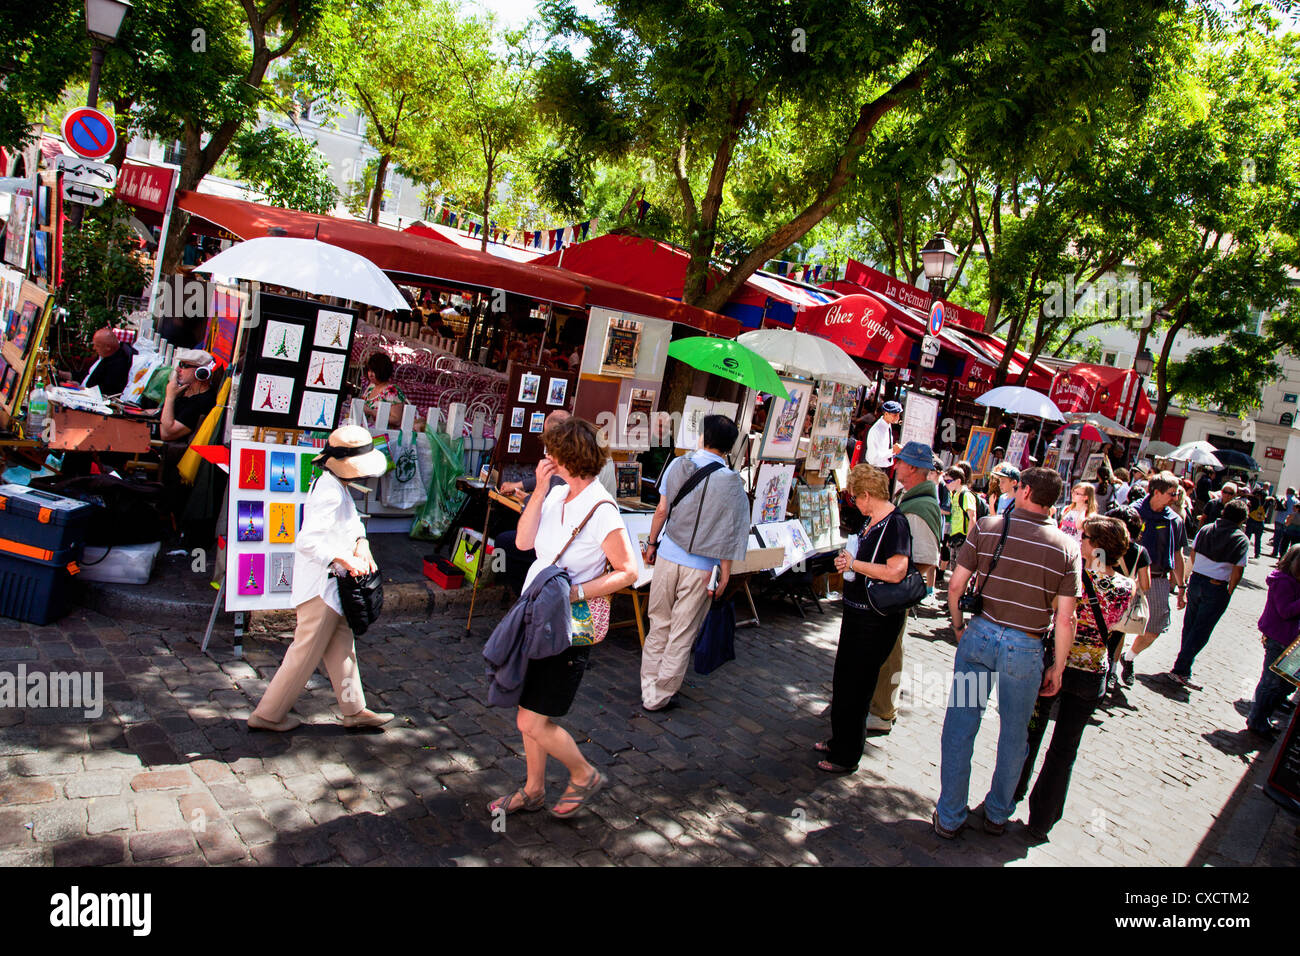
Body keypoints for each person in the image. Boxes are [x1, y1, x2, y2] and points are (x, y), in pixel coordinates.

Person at [489, 417, 638, 818]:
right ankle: (534, 789)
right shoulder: (555, 496)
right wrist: (539, 490)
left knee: (532, 720)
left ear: (566, 457)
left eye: (551, 451)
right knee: (528, 711)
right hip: (538, 616)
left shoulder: (602, 508)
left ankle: (583, 773)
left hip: (569, 627)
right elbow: (522, 542)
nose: (546, 456)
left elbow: (628, 570)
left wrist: (576, 592)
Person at [936, 467, 1081, 838]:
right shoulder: (1067, 548)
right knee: (1015, 735)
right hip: (1026, 648)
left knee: (961, 725)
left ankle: (950, 815)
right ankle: (998, 813)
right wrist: (1059, 667)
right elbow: (1066, 618)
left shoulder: (987, 526)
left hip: (980, 638)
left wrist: (957, 626)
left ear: (1026, 490)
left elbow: (955, 587)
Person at [248, 426, 394, 732]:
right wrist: (343, 558)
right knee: (304, 653)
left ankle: (354, 709)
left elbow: (351, 524)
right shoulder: (330, 491)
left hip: (330, 586)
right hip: (321, 587)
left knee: (342, 647)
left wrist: (361, 544)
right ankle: (268, 714)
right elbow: (307, 542)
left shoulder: (334, 484)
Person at [1014, 515, 1134, 840]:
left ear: (1096, 545)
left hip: (1056, 662)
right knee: (1065, 749)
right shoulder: (1126, 586)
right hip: (1093, 670)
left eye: (1085, 538)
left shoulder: (1074, 577)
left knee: (1032, 733)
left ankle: (1011, 794)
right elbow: (1122, 625)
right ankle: (1042, 819)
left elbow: (1056, 612)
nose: (1080, 542)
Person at [640, 415, 750, 712]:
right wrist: (725, 572)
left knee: (658, 623)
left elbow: (661, 510)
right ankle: (659, 694)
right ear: (728, 447)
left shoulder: (679, 465)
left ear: (703, 437)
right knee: (682, 630)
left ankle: (649, 685)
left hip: (668, 555)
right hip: (702, 566)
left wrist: (651, 544)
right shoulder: (732, 482)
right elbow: (732, 531)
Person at [816, 464, 912, 772]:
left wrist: (856, 566)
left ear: (868, 495)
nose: (855, 503)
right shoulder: (872, 521)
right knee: (844, 680)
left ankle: (847, 755)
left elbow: (896, 571)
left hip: (876, 618)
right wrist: (848, 563)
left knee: (858, 686)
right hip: (858, 612)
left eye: (856, 497)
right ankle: (839, 739)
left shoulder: (895, 523)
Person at [864, 442, 942, 736]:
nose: (896, 466)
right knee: (883, 648)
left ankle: (882, 710)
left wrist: (894, 578)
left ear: (912, 468)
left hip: (893, 591)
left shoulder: (921, 506)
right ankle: (879, 705)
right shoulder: (911, 497)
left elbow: (923, 558)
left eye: (901, 462)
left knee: (889, 650)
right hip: (890, 587)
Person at [1169, 498, 1249, 688]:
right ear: (1242, 520)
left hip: (1197, 580)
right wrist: (1229, 590)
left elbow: (1193, 554)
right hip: (1216, 586)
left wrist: (1188, 578)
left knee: (1190, 626)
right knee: (1201, 630)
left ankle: (1184, 667)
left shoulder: (1206, 529)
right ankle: (1180, 669)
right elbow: (1238, 570)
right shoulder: (1240, 539)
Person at [1119, 472, 1188, 686]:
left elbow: (1177, 554)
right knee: (1117, 625)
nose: (1175, 498)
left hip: (1157, 579)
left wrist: (1182, 586)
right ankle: (1110, 669)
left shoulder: (1175, 520)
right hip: (1127, 575)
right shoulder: (1133, 512)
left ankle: (1128, 658)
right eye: (1172, 494)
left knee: (1155, 628)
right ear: (1156, 492)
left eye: (1176, 494)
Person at [496, 411, 573, 594]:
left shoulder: (568, 460)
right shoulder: (564, 454)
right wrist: (521, 486)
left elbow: (554, 501)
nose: (547, 454)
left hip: (561, 542)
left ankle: (526, 593)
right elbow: (547, 475)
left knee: (506, 541)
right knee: (510, 534)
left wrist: (530, 498)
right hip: (558, 533)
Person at [1248, 545, 1300, 738]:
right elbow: (1286, 611)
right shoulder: (1283, 582)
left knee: (1287, 684)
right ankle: (1257, 721)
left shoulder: (1293, 581)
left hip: (1291, 640)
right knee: (1270, 682)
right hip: (1279, 638)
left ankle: (1263, 717)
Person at [1104, 506, 1151, 694]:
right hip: (1121, 605)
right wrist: (1130, 584)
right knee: (1114, 640)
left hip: (1100, 600)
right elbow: (1145, 585)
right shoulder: (1140, 552)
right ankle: (1109, 675)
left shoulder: (1102, 546)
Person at [158, 348, 218, 442]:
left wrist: (169, 398)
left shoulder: (202, 402)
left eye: (184, 366)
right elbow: (159, 413)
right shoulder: (185, 392)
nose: (177, 370)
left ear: (201, 372)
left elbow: (166, 434)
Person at [61, 328, 134, 395]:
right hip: (83, 390)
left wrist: (79, 389)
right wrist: (62, 374)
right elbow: (88, 374)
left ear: (108, 347)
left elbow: (106, 391)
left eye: (97, 346)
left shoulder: (118, 365)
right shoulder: (105, 354)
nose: (94, 348)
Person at [941, 466, 978, 585]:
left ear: (958, 481)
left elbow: (972, 517)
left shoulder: (966, 495)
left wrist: (969, 540)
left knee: (961, 572)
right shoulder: (954, 495)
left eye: (948, 481)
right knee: (953, 570)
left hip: (963, 538)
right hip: (955, 537)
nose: (946, 484)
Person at [361, 352, 408, 429]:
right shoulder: (371, 386)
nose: (370, 374)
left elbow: (396, 420)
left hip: (383, 435)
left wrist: (371, 412)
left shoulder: (392, 391)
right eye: (369, 371)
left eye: (374, 371)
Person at [864, 400, 903, 470]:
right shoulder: (877, 430)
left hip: (882, 468)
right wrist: (893, 451)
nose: (898, 418)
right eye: (895, 415)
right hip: (875, 469)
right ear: (886, 414)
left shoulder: (887, 425)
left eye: (898, 415)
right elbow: (873, 458)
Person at [1272, 488, 1297, 557]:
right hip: (1288, 521)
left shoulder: (1283, 498)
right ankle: (1283, 554)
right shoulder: (1296, 501)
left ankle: (1275, 552)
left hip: (1279, 519)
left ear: (1288, 491)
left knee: (1277, 537)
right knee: (1284, 539)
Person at [1246, 491, 1269, 560]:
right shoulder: (1267, 502)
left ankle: (1244, 550)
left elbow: (1249, 496)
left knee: (1247, 537)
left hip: (1252, 520)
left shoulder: (1254, 500)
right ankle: (1257, 553)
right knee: (1258, 539)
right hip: (1260, 521)